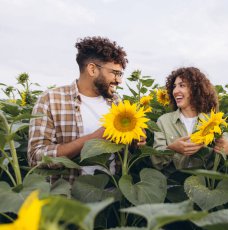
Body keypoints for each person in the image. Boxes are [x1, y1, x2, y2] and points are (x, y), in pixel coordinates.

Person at [28, 36, 145, 184]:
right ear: (92, 69)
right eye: (115, 73)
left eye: (120, 74)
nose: (119, 80)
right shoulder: (51, 100)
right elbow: (36, 158)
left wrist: (134, 139)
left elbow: (122, 151)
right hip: (69, 199)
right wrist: (94, 138)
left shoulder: (116, 102)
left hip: (112, 197)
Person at [152, 67, 228, 170]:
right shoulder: (163, 121)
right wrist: (171, 149)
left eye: (182, 85)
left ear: (195, 89)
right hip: (172, 182)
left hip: (207, 182)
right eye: (174, 86)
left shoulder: (213, 121)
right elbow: (156, 162)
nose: (175, 91)